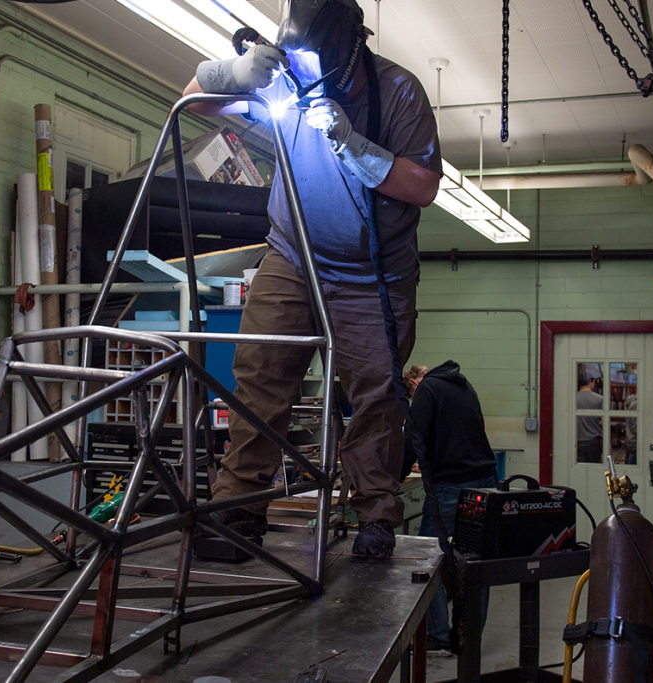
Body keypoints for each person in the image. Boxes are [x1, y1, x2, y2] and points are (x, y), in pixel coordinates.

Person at [183, 0, 442, 559]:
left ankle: (375, 515)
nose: (302, 77)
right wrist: (236, 73)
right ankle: (238, 511)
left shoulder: (400, 91)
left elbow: (423, 186)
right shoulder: (285, 74)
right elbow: (192, 99)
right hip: (293, 257)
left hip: (372, 274)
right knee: (260, 378)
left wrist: (354, 144)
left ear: (352, 48)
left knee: (374, 396)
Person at [402, 360, 498, 655]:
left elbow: (413, 437)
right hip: (485, 482)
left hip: (451, 486)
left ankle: (439, 636)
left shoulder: (427, 389)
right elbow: (452, 434)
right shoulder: (462, 385)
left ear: (415, 384)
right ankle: (467, 641)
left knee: (429, 561)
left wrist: (395, 477)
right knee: (475, 563)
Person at [576, 376, 603, 463]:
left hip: (577, 440)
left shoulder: (572, 398)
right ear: (590, 381)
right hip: (594, 440)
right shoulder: (599, 399)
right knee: (595, 469)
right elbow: (604, 422)